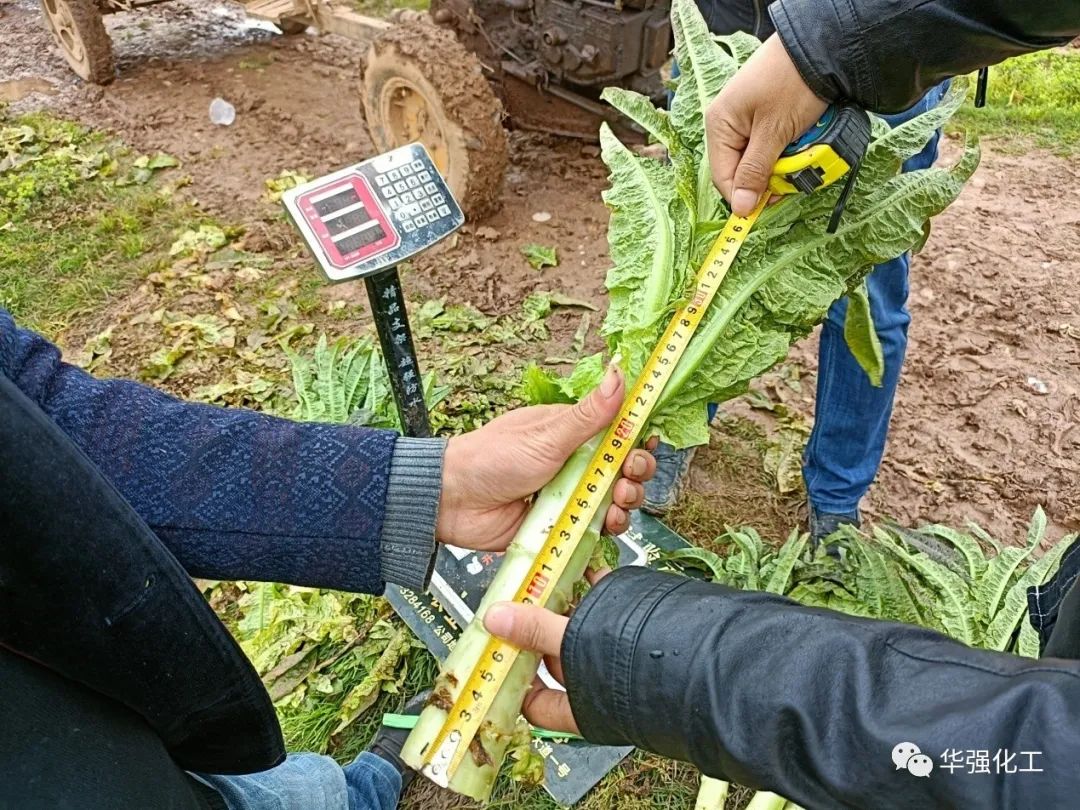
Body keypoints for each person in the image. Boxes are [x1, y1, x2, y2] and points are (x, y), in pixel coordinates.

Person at [476, 2, 1080, 807]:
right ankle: (661, 456)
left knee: (860, 287)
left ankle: (835, 502)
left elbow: (1024, 753)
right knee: (696, 280)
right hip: (768, 31)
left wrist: (843, 43)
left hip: (884, 48)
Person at [0, 305, 655, 810]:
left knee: (276, 791)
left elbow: (41, 422)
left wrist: (431, 485)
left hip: (122, 738)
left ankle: (358, 792)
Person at [646, 1, 949, 547]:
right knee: (699, 262)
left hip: (881, 35)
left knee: (867, 293)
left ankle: (836, 498)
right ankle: (673, 429)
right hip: (733, 26)